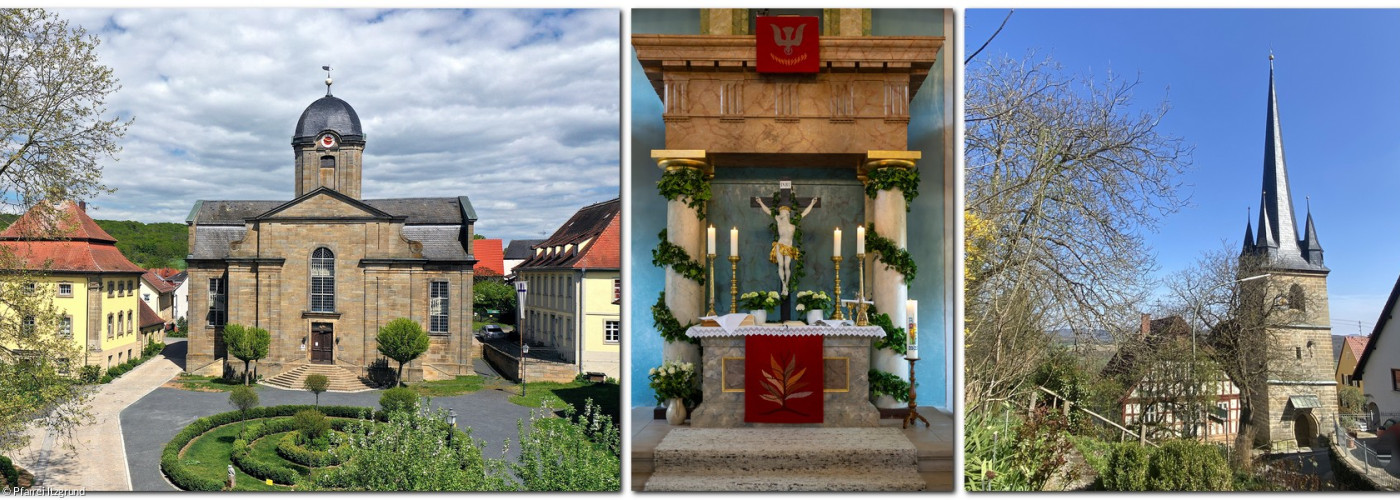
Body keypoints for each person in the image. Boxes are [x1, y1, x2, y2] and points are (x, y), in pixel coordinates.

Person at [754, 195, 817, 296]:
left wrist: (812, 204)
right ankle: (783, 284)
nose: (781, 214)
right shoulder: (779, 221)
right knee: (781, 265)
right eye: (780, 213)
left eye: (782, 212)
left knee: (787, 266)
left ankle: (786, 285)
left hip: (789, 247)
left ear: (787, 214)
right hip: (780, 245)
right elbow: (768, 211)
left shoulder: (794, 222)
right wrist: (760, 202)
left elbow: (804, 213)